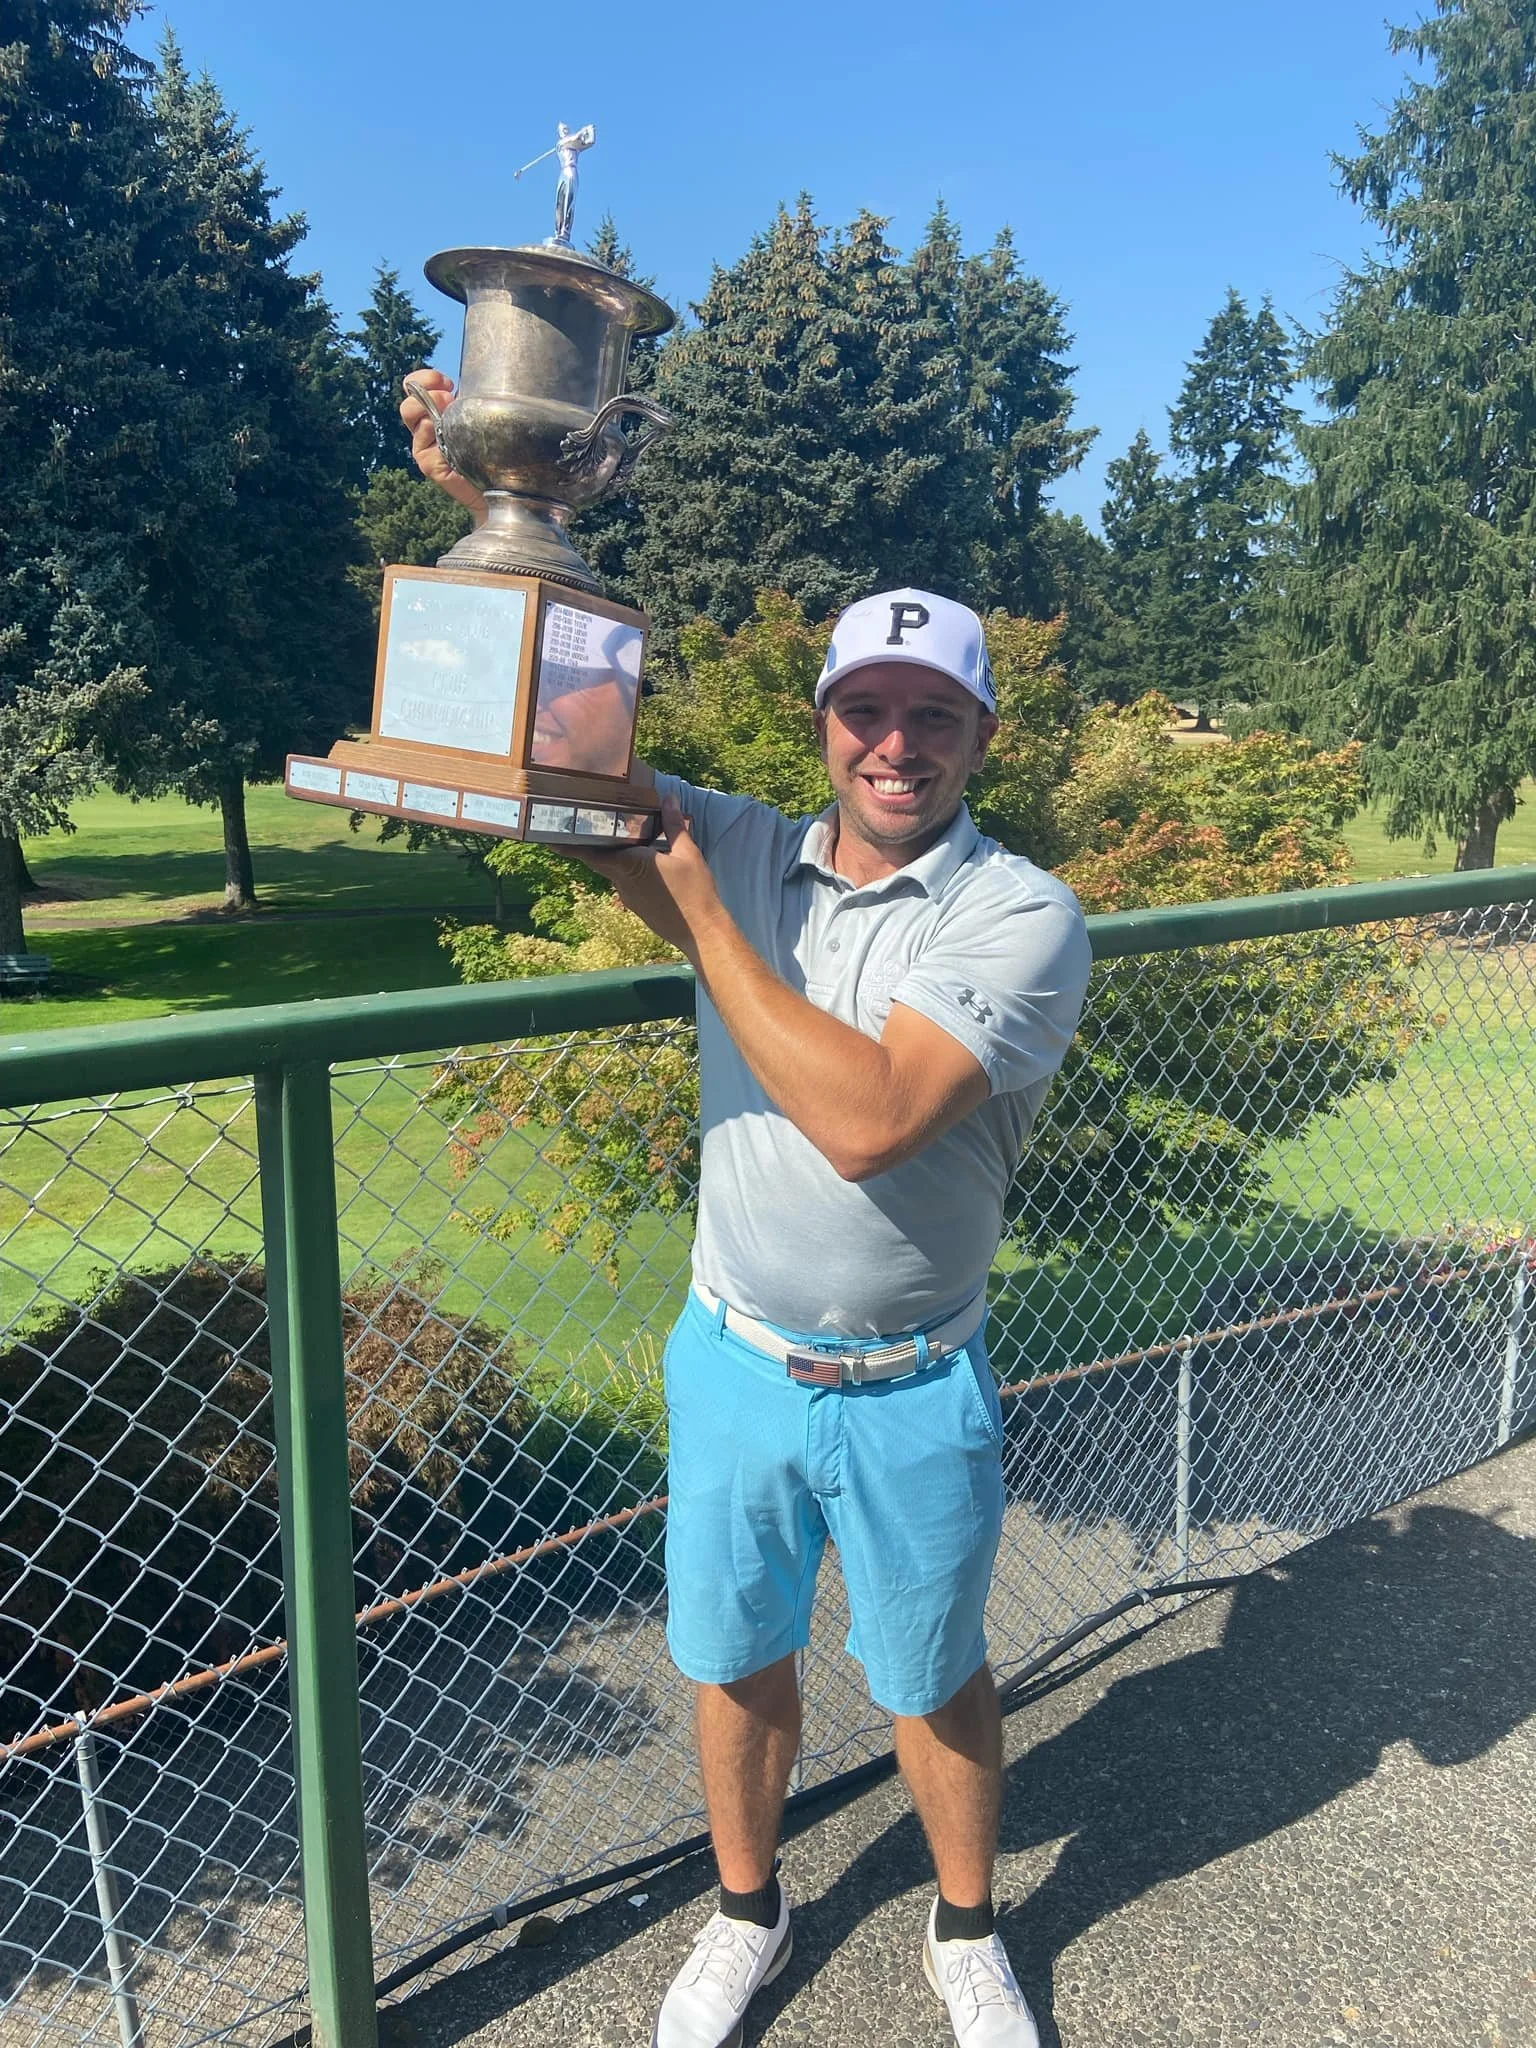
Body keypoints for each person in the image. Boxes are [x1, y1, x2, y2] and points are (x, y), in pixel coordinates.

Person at [403, 373, 1093, 2048]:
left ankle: (965, 1929)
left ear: (981, 736)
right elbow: (551, 752)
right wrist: (501, 528)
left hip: (915, 1375)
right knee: (733, 1656)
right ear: (824, 725)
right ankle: (745, 1915)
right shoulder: (738, 844)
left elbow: (866, 1121)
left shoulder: (1023, 913)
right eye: (868, 709)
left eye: (933, 715)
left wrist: (705, 915)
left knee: (931, 1672)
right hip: (736, 1358)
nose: (896, 744)